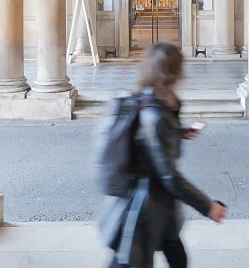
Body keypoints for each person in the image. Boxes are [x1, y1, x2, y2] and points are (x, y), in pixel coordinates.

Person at [97, 43, 228, 268]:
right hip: (145, 207)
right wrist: (208, 206)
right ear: (174, 72)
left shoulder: (149, 100)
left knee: (176, 256)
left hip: (157, 202)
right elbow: (169, 177)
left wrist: (177, 132)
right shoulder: (157, 114)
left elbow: (150, 142)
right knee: (131, 261)